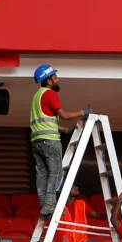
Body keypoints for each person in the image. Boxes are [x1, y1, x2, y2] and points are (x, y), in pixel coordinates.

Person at [30, 64, 88, 220]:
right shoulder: (50, 94)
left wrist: (64, 130)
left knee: (42, 174)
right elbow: (64, 115)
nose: (58, 80)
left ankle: (44, 205)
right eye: (55, 78)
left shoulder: (37, 96)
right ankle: (50, 205)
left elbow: (48, 121)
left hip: (37, 140)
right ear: (49, 81)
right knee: (56, 173)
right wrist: (83, 112)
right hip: (50, 141)